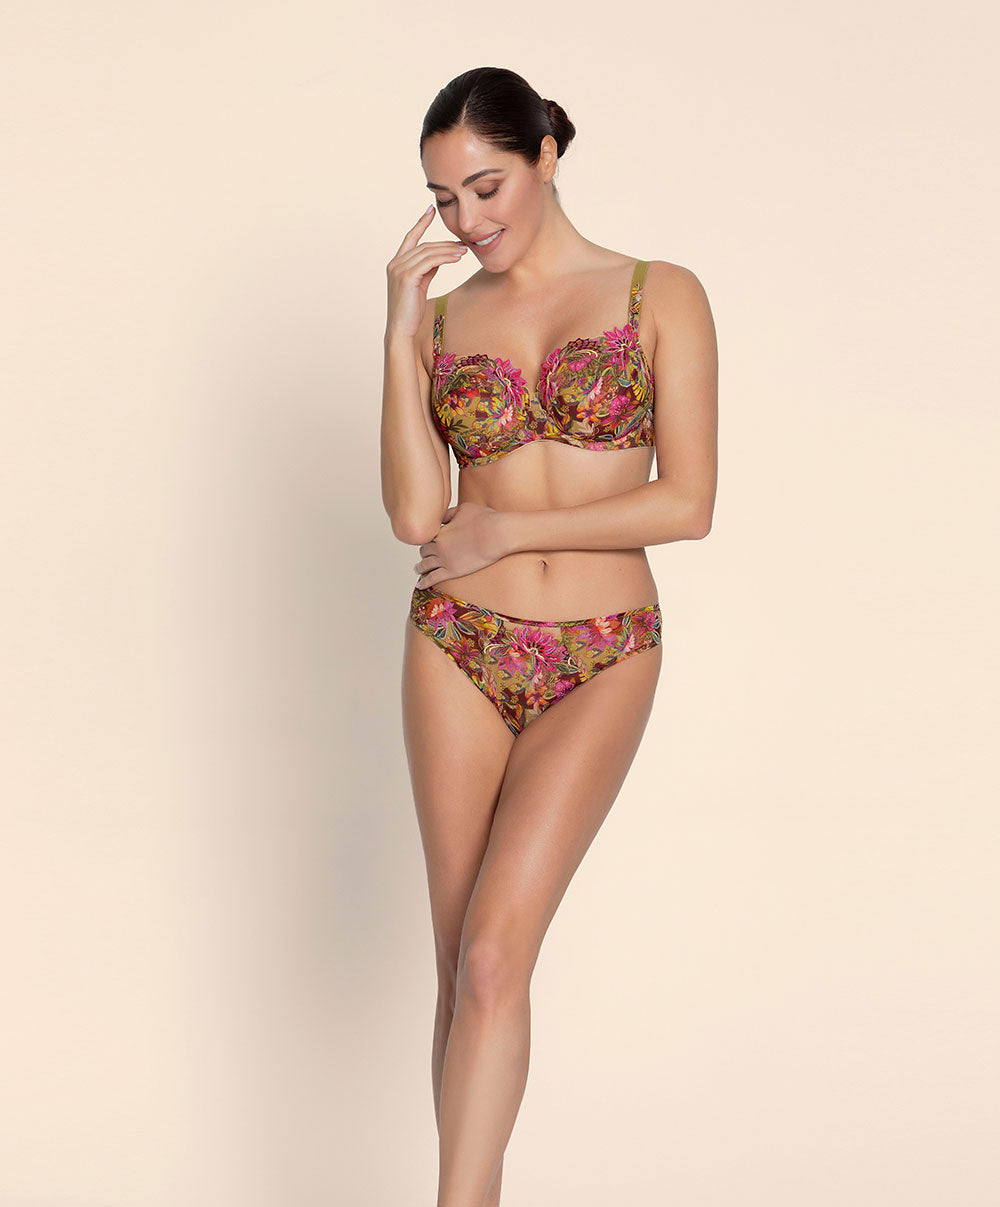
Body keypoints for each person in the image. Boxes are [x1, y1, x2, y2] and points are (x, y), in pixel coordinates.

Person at [380, 65, 718, 1206]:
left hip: (602, 650)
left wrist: (512, 524)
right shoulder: (442, 318)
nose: (469, 220)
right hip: (455, 645)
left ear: (545, 157)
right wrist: (397, 335)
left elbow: (688, 502)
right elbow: (414, 515)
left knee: (495, 953)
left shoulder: (657, 292)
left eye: (486, 187)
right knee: (459, 969)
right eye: (444, 199)